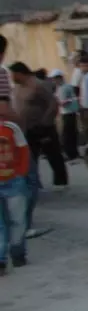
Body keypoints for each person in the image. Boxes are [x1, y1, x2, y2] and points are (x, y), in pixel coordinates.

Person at [10, 61, 64, 239]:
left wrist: (46, 122)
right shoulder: (17, 87)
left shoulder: (37, 85)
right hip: (25, 131)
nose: (12, 77)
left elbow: (52, 103)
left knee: (52, 154)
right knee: (30, 159)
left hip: (40, 128)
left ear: (20, 73)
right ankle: (36, 184)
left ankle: (60, 182)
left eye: (14, 74)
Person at [0, 115, 32, 273]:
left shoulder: (11, 128)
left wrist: (20, 173)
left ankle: (17, 252)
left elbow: (24, 151)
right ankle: (1, 260)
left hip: (13, 180)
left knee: (17, 220)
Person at [52, 70, 80, 162]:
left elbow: (63, 102)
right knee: (71, 133)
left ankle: (69, 153)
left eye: (55, 79)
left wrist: (57, 101)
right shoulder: (62, 87)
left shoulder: (63, 88)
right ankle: (74, 153)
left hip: (68, 112)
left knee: (67, 134)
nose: (54, 81)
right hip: (69, 112)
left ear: (59, 78)